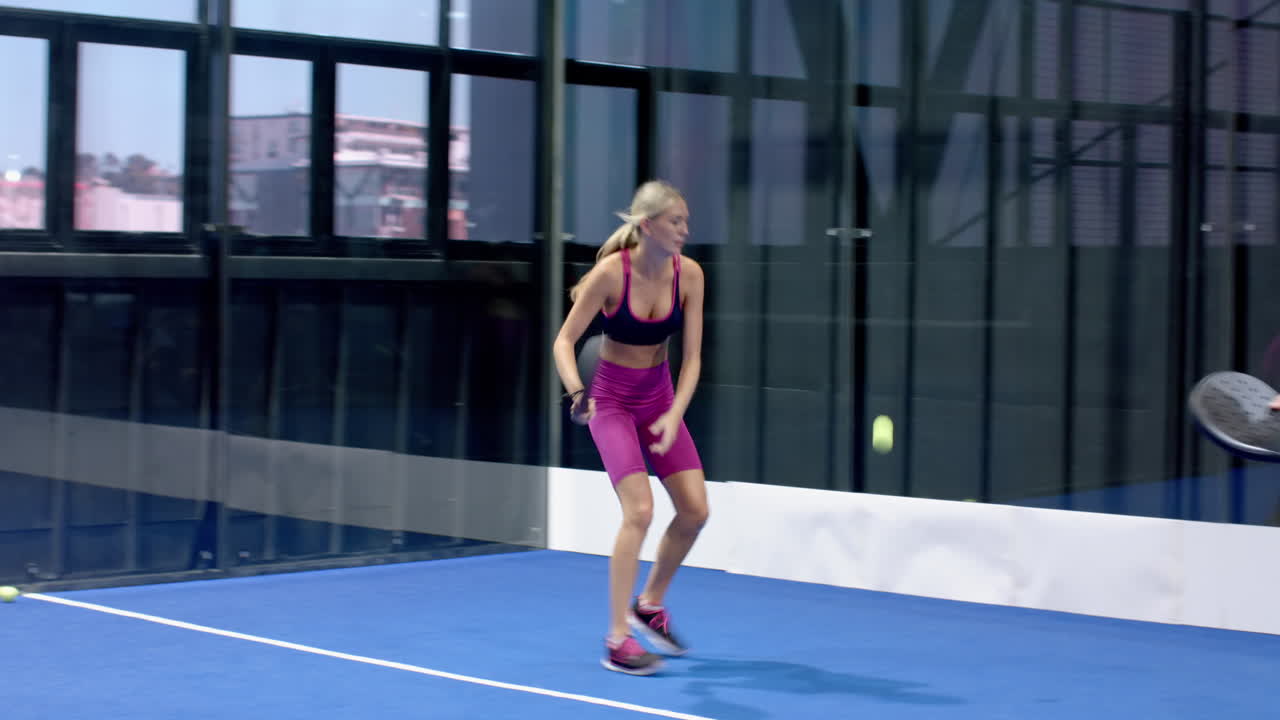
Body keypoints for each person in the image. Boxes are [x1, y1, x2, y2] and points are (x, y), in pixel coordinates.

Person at [552, 180, 709, 675]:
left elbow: (693, 359)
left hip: (660, 397)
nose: (685, 230)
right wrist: (578, 395)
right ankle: (617, 640)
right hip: (612, 402)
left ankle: (649, 605)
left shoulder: (691, 276)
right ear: (647, 226)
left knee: (695, 511)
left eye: (686, 221)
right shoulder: (609, 276)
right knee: (638, 511)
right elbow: (563, 342)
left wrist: (673, 413)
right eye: (675, 221)